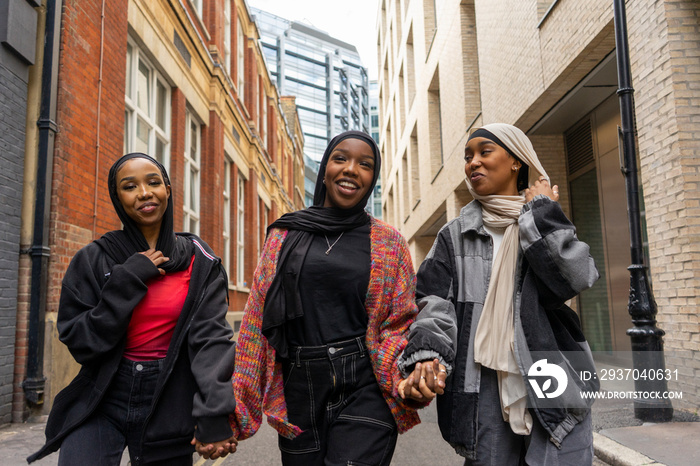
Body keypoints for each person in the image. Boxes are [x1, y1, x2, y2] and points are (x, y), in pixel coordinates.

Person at [398, 123, 600, 465]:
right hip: (483, 388)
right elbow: (432, 303)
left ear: (516, 161)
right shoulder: (455, 235)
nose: (473, 162)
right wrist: (429, 356)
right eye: (467, 156)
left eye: (484, 152)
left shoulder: (540, 220)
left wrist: (542, 216)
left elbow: (576, 278)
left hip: (551, 375)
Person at [28, 153, 237, 465]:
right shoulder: (94, 259)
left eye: (153, 182)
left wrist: (215, 411)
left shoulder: (200, 261)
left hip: (170, 397)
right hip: (104, 395)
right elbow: (81, 342)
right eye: (129, 186)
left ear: (167, 189)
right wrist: (126, 281)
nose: (144, 193)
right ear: (117, 197)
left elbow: (211, 341)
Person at [230, 131, 423, 465]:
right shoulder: (285, 234)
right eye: (340, 158)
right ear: (324, 170)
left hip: (365, 383)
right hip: (299, 387)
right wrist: (234, 413)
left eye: (365, 164)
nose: (351, 169)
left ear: (372, 179)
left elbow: (401, 321)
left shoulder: (390, 242)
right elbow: (255, 324)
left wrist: (403, 374)